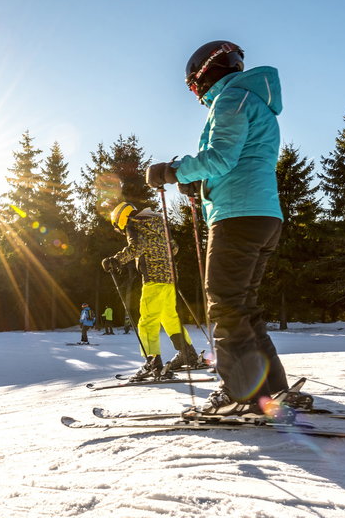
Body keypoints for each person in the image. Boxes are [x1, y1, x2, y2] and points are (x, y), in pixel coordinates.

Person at [145, 40, 309, 416]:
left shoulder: (231, 98)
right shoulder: (257, 102)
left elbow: (221, 157)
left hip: (237, 216)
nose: (196, 95)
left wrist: (172, 171)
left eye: (193, 87)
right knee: (243, 307)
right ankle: (271, 388)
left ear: (206, 75)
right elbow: (238, 160)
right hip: (263, 215)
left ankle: (240, 393)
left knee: (225, 305)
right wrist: (195, 182)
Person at [102, 202, 200, 380]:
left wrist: (115, 260)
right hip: (170, 279)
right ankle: (187, 353)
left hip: (153, 280)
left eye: (120, 227)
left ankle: (153, 363)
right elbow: (174, 248)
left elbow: (137, 247)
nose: (123, 231)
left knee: (147, 322)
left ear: (121, 219)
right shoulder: (158, 223)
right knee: (169, 317)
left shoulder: (134, 225)